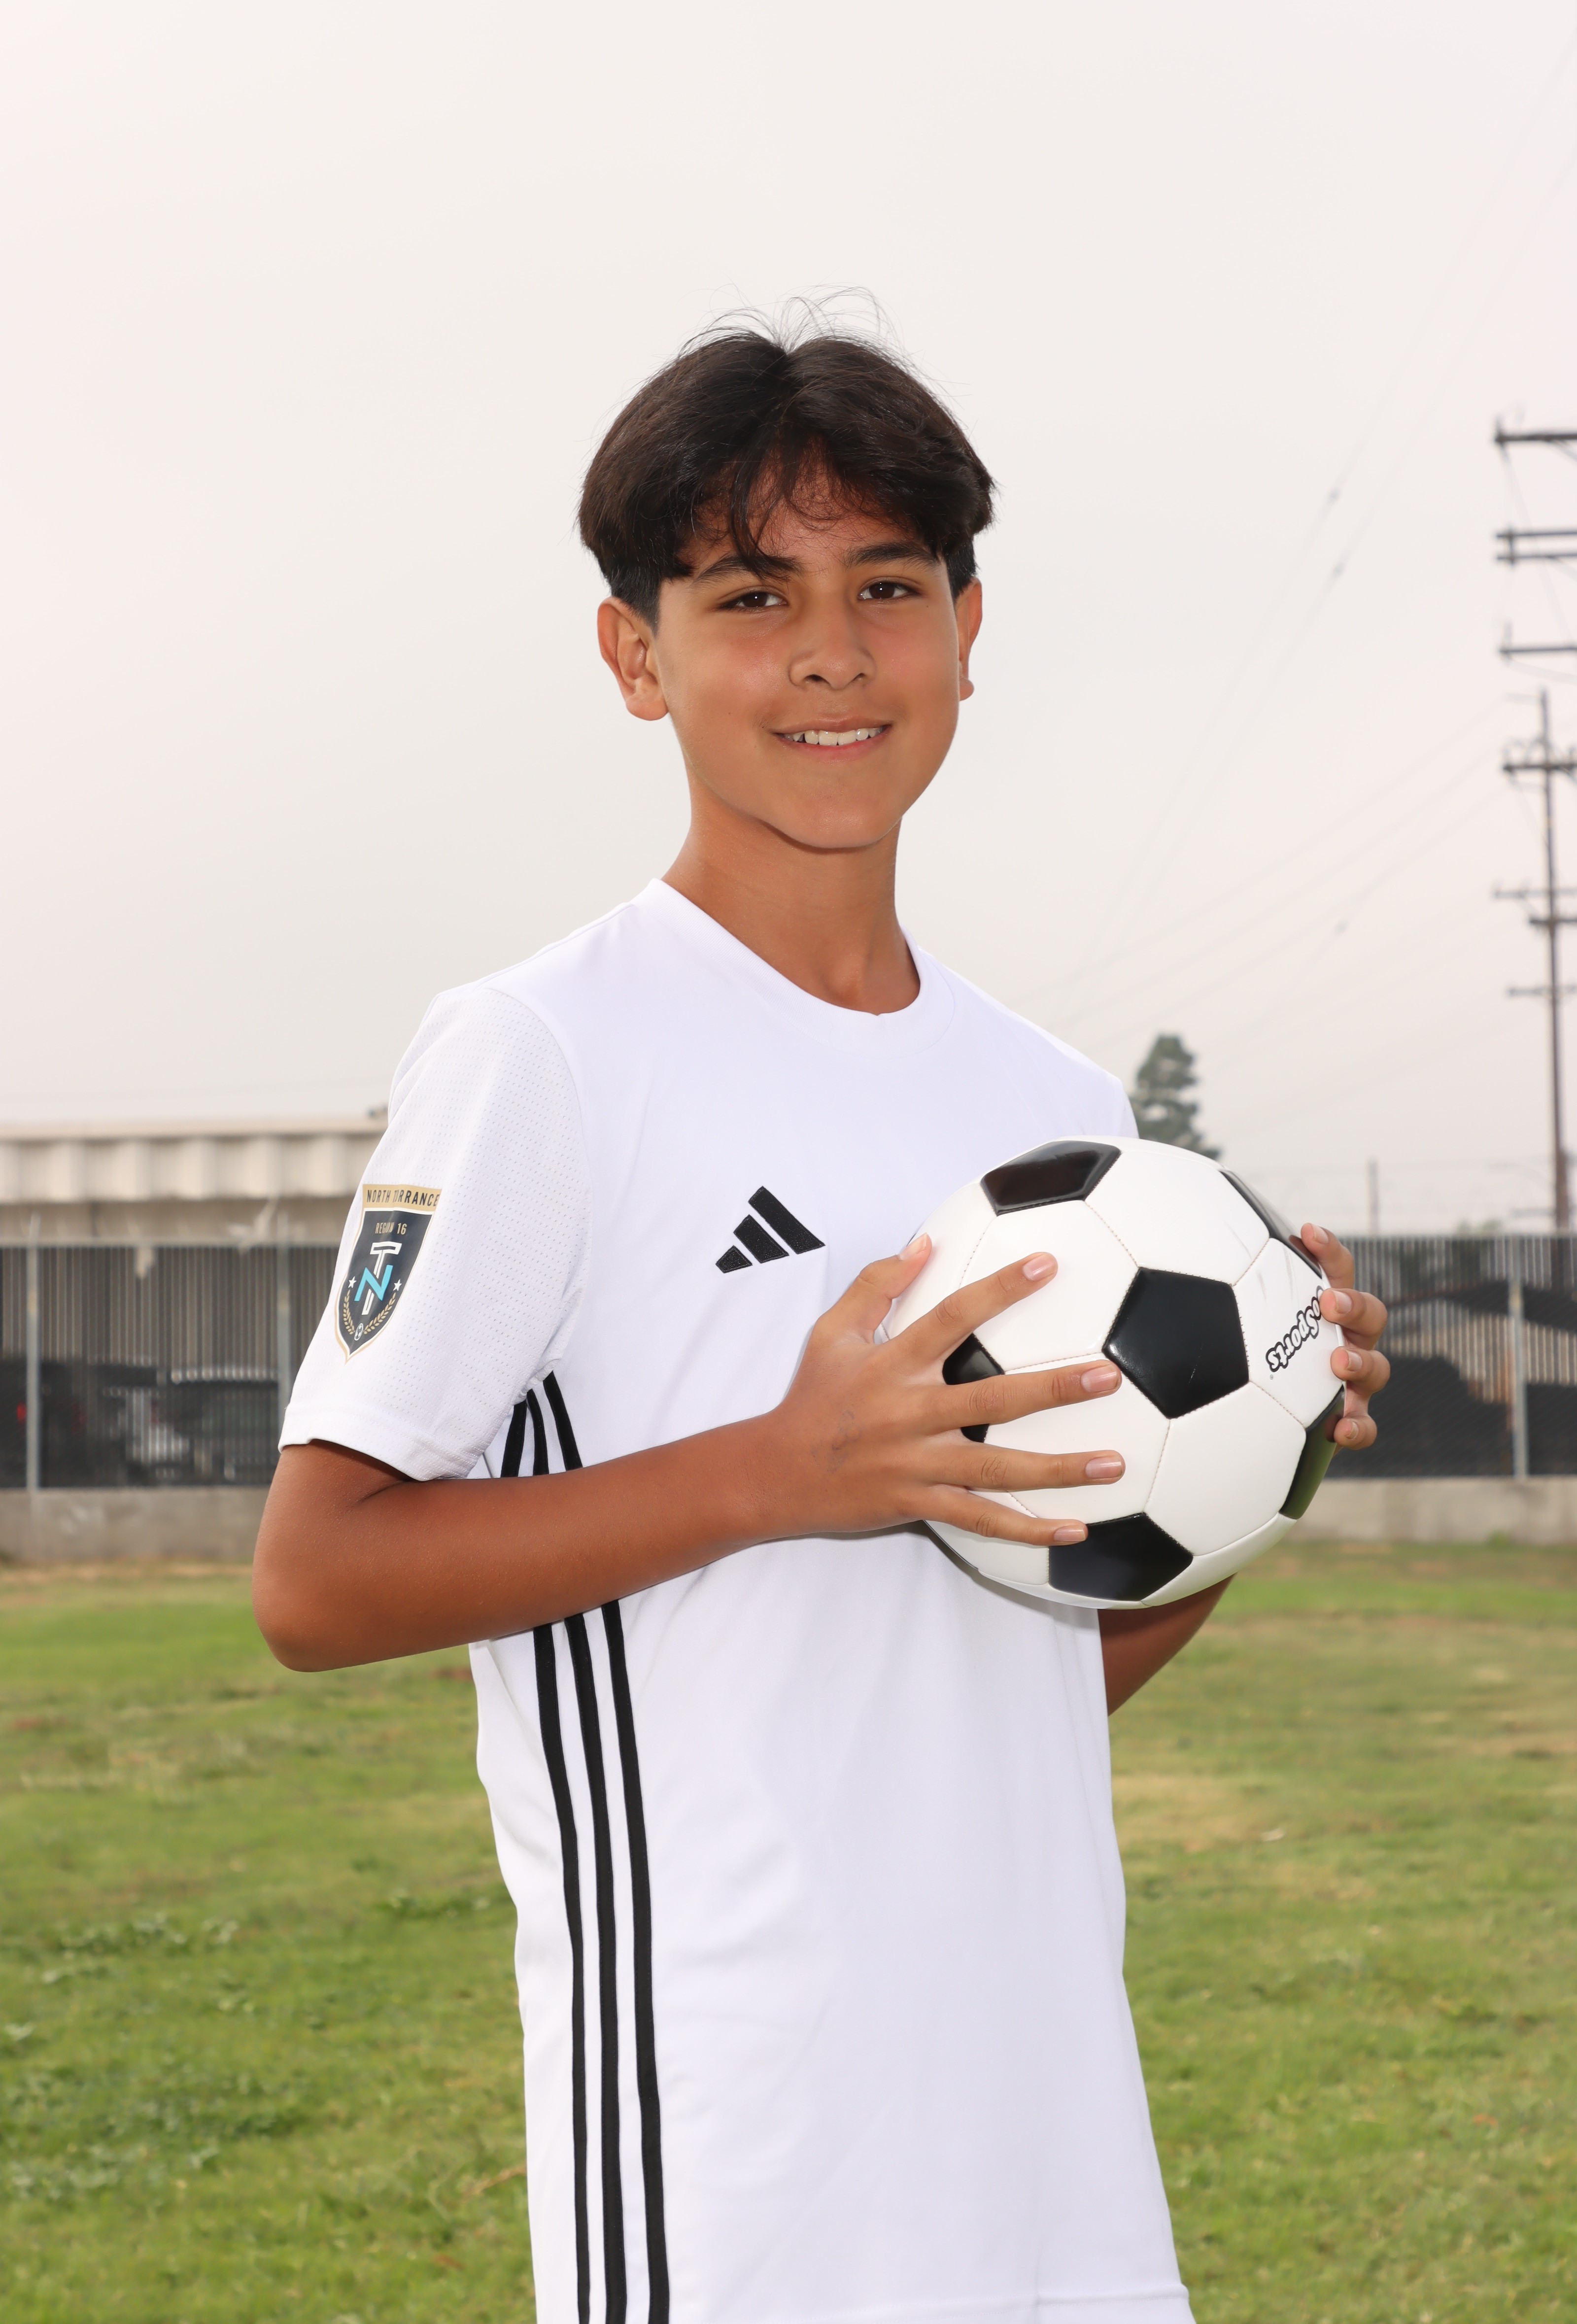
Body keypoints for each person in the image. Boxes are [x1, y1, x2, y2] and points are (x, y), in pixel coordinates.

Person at [254, 319, 1390, 2324]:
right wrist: (782, 1472)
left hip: (1048, 2143)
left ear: (967, 627)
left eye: (886, 589)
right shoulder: (546, 1054)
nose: (832, 656)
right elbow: (315, 1582)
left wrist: (1243, 1459)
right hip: (737, 2144)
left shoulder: (1056, 1111)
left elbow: (1013, 1692)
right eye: (750, 598)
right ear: (635, 656)